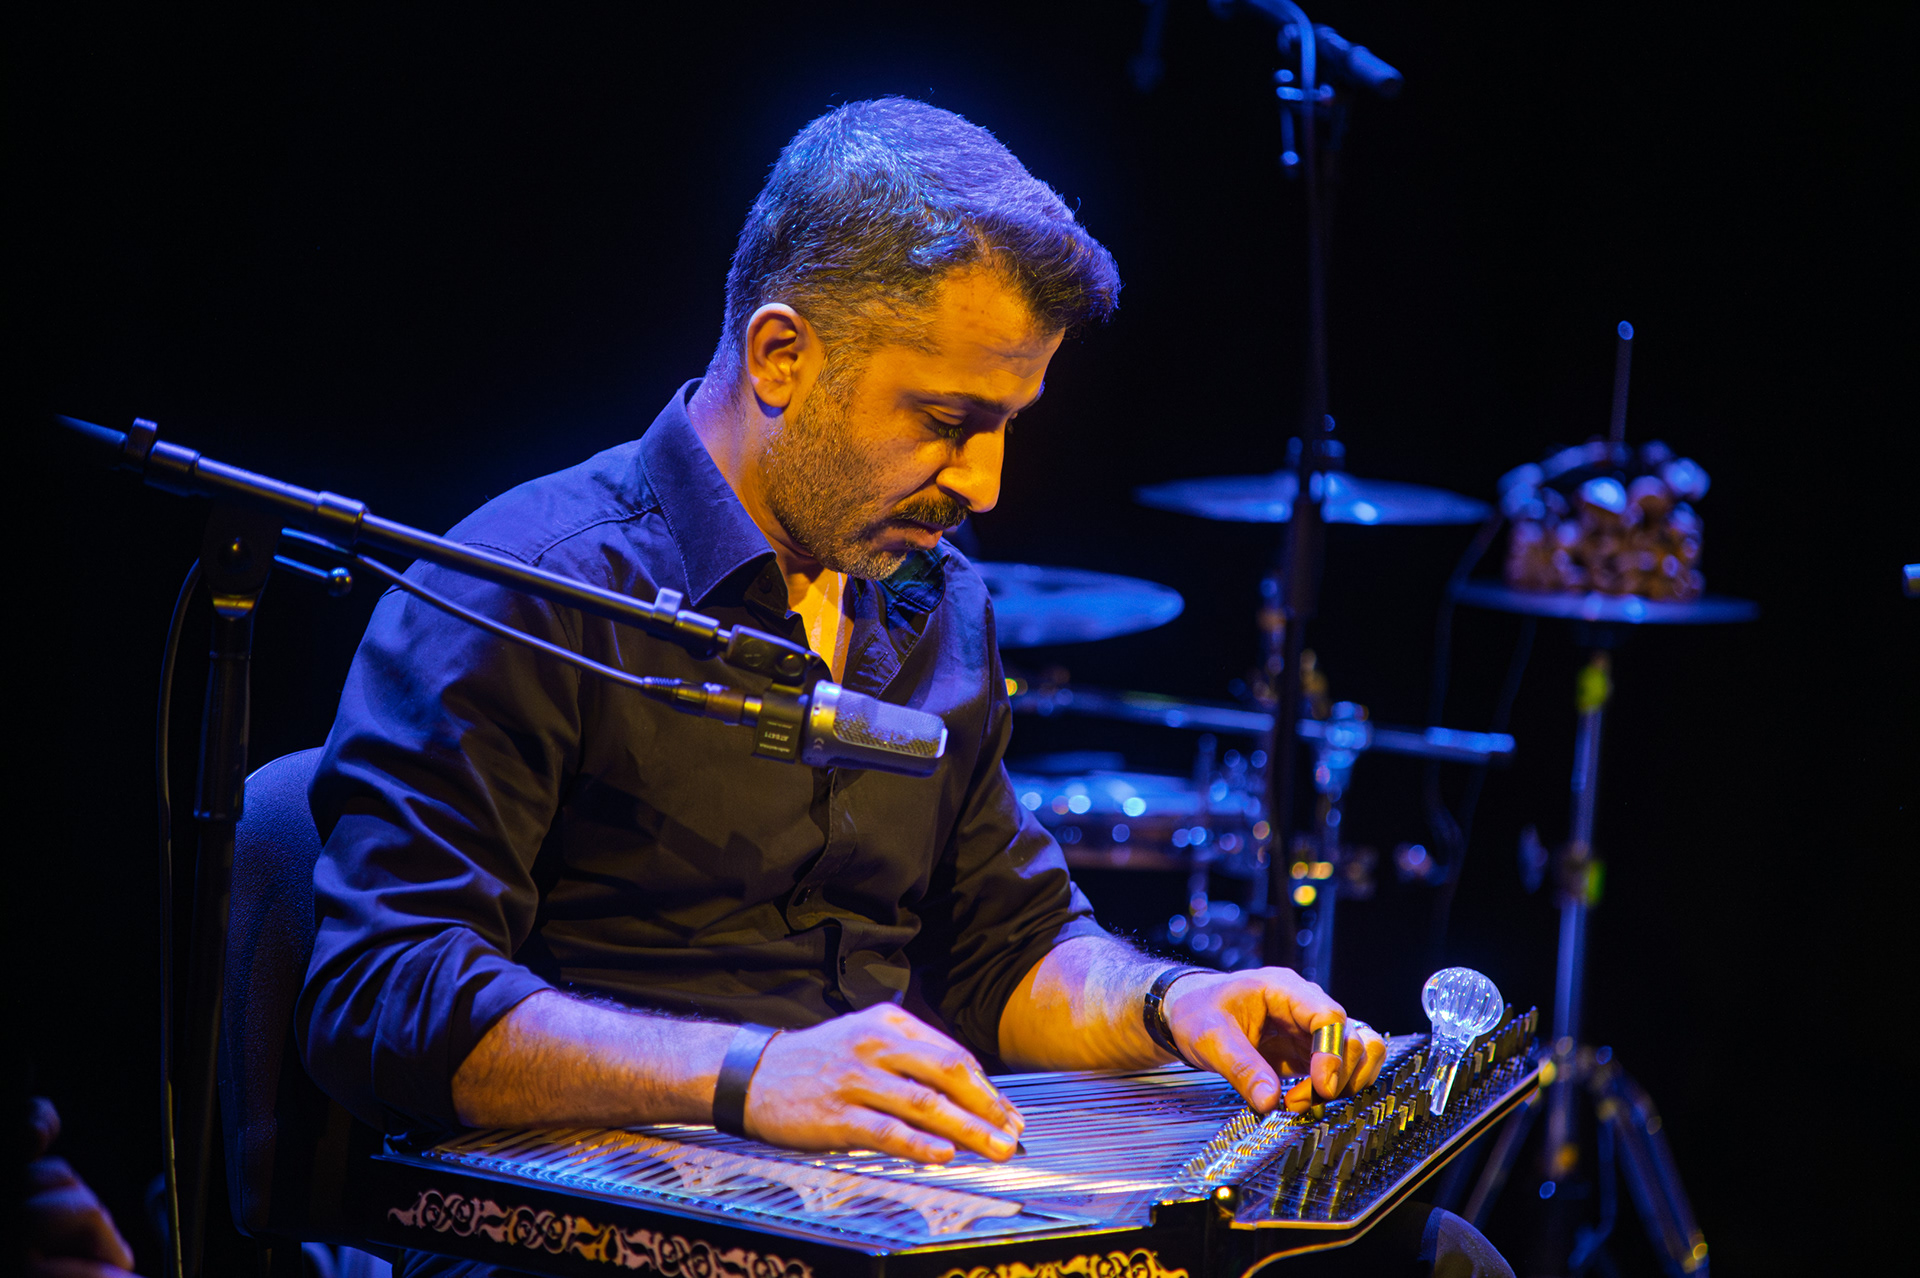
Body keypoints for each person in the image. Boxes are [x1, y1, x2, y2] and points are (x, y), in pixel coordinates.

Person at [300, 98, 1506, 1277]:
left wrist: (1171, 1003)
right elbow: (379, 995)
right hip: (592, 1225)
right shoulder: (525, 585)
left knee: (1423, 1258)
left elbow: (1008, 945)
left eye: (1009, 424)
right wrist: (753, 1077)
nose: (984, 485)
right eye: (947, 419)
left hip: (878, 1210)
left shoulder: (934, 603)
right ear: (782, 357)